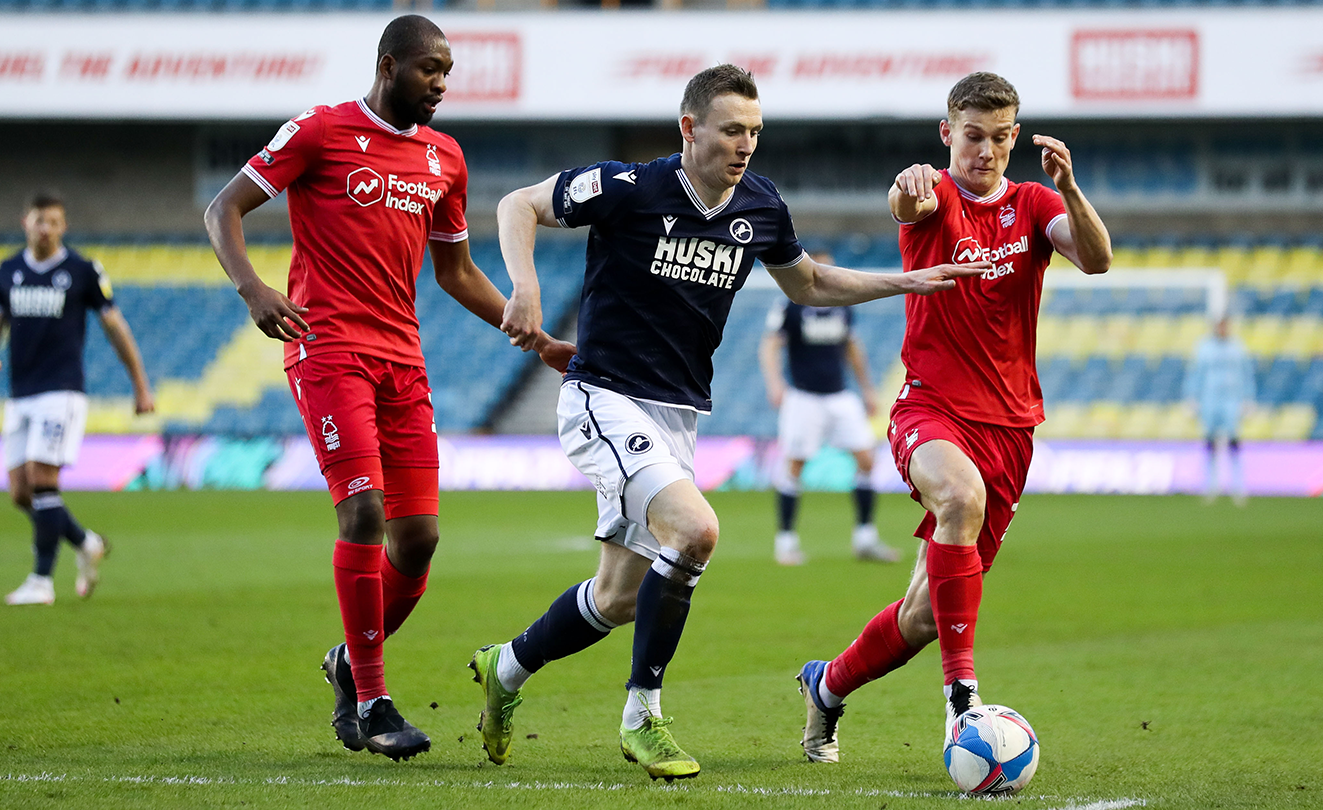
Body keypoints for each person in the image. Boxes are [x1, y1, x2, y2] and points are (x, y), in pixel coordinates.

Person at [472, 64, 986, 782]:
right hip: (603, 396)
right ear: (690, 129)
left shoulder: (761, 207)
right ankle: (642, 714)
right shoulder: (630, 188)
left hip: (678, 413)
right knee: (696, 530)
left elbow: (808, 282)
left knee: (618, 597)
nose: (746, 144)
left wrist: (902, 283)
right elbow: (518, 205)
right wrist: (525, 287)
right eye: (732, 130)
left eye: (755, 131)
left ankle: (509, 666)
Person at [203, 15, 572, 762]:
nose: (440, 82)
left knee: (420, 538)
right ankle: (371, 700)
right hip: (328, 349)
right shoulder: (319, 130)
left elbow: (457, 273)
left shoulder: (445, 158)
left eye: (447, 71)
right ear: (388, 64)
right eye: (429, 68)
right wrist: (252, 288)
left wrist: (531, 334)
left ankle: (346, 661)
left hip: (404, 359)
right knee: (364, 512)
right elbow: (224, 207)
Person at [793, 72, 1113, 769]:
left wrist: (1072, 187)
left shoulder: (1033, 203)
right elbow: (907, 203)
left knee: (923, 616)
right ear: (948, 134)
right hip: (930, 409)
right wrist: (908, 191)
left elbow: (1096, 259)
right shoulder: (933, 193)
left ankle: (827, 684)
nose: (986, 151)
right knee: (959, 498)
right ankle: (962, 698)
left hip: (1012, 428)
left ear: (1015, 139)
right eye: (972, 136)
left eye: (1001, 138)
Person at [0, 192, 155, 606]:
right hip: (20, 392)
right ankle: (85, 542)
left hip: (61, 391)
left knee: (43, 480)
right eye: (38, 220)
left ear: (63, 227)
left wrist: (139, 384)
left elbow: (114, 326)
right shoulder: (7, 271)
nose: (44, 228)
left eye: (53, 221)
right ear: (25, 221)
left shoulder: (82, 270)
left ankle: (41, 581)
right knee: (20, 492)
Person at [758, 249, 900, 565]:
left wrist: (866, 388)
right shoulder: (791, 304)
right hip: (803, 396)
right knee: (795, 465)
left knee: (866, 459)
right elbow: (770, 344)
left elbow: (852, 346)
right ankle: (786, 542)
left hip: (839, 395)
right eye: (823, 268)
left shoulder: (842, 306)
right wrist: (775, 382)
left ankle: (865, 538)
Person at [1184, 316, 1255, 505]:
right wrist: (1192, 397)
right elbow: (1195, 373)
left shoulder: (1237, 347)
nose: (1222, 329)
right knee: (1210, 441)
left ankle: (1238, 486)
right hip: (1210, 399)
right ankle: (1210, 485)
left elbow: (1247, 373)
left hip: (1232, 399)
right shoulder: (1204, 347)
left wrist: (1248, 398)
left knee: (1233, 440)